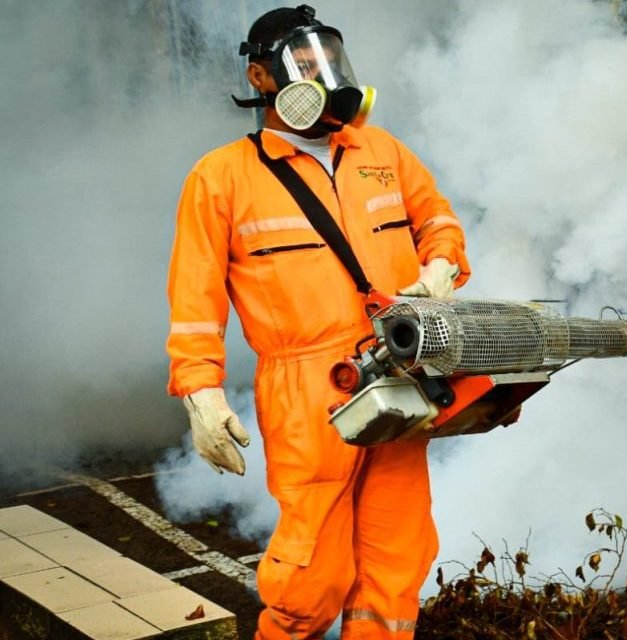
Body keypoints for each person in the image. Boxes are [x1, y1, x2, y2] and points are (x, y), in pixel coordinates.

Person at [165, 5, 469, 638]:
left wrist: (441, 267)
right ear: (260, 78)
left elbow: (438, 219)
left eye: (329, 59)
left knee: (396, 559)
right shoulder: (222, 178)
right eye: (304, 66)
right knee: (312, 576)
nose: (325, 76)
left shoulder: (379, 151)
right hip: (308, 391)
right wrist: (201, 392)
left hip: (396, 372)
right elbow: (195, 298)